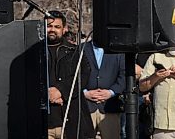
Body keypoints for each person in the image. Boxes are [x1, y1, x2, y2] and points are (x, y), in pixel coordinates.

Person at [46, 10, 95, 139]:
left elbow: (84, 75)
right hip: (44, 122)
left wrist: (61, 91)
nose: (52, 30)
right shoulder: (34, 51)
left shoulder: (74, 51)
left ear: (64, 29)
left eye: (57, 27)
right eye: (49, 26)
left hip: (70, 121)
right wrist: (48, 94)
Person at [84, 40, 125, 139]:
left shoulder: (117, 50)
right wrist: (85, 93)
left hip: (109, 107)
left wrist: (111, 92)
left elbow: (124, 74)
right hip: (86, 107)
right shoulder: (81, 49)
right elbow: (72, 74)